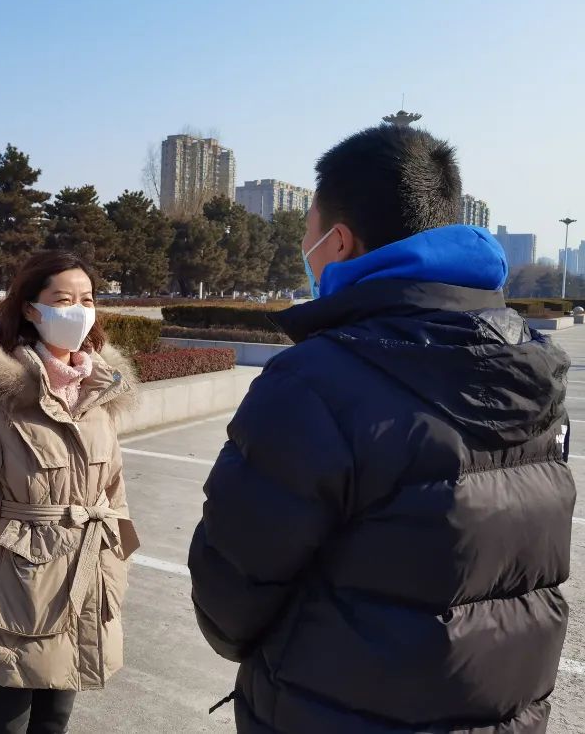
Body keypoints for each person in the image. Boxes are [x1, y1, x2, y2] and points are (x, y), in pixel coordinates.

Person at [188, 125, 575, 733]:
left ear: (339, 241)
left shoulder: (316, 381)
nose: (306, 246)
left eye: (308, 231)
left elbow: (229, 598)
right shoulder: (533, 363)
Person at [0, 250, 141, 734]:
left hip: (85, 583)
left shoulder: (99, 391)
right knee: (5, 726)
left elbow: (114, 495)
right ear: (30, 308)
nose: (78, 311)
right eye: (63, 300)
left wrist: (117, 569)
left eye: (87, 299)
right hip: (17, 594)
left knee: (55, 723)